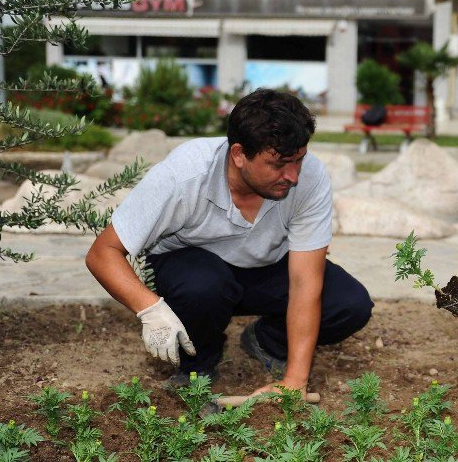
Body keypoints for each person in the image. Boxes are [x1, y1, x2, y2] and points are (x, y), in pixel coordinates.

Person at [85, 89, 373, 398]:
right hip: (194, 270)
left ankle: (267, 341)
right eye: (279, 164)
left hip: (265, 267)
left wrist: (295, 381)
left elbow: (305, 282)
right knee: (202, 285)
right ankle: (197, 369)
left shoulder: (310, 177)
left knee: (348, 303)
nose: (293, 176)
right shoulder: (183, 175)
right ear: (238, 154)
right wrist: (151, 310)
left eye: (299, 160)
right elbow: (102, 253)